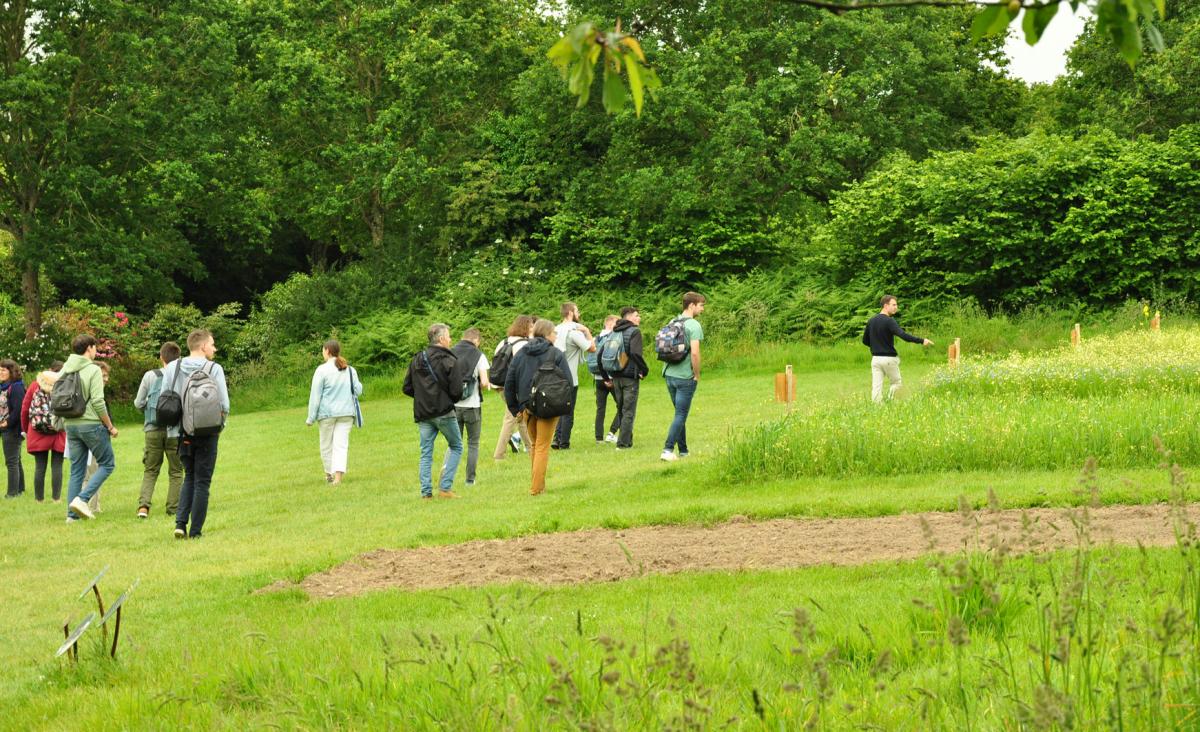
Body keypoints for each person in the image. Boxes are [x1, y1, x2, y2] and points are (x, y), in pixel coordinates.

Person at [161, 329, 230, 539]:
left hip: (183, 432)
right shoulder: (214, 368)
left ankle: (180, 524)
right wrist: (219, 426)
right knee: (203, 482)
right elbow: (224, 404)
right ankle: (196, 532)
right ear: (203, 346)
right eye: (212, 344)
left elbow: (166, 399)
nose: (214, 348)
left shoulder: (173, 367)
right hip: (207, 431)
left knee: (189, 476)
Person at [504, 318, 573, 496]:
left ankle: (538, 485)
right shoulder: (556, 354)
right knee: (542, 446)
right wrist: (566, 404)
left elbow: (509, 381)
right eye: (554, 332)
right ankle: (535, 489)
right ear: (548, 334)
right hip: (549, 405)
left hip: (527, 406)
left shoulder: (521, 352)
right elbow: (568, 382)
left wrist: (515, 408)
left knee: (535, 445)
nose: (556, 335)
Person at [403, 323, 464, 499]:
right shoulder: (449, 360)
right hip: (444, 412)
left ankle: (426, 493)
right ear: (442, 339)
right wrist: (446, 399)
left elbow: (407, 387)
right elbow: (457, 391)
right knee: (456, 446)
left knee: (426, 452)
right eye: (449, 336)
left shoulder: (417, 359)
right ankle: (445, 488)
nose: (451, 339)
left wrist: (423, 397)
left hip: (423, 413)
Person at [60, 335, 118, 521]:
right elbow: (98, 402)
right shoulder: (93, 370)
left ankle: (71, 516)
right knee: (107, 463)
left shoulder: (65, 369)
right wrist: (109, 426)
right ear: (90, 348)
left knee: (77, 469)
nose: (96, 351)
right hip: (91, 424)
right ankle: (82, 499)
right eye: (95, 348)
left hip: (70, 424)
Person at [133, 343, 184, 518]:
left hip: (152, 430)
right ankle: (173, 509)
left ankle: (143, 507)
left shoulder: (150, 376)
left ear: (161, 357)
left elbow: (138, 403)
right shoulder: (182, 376)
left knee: (151, 470)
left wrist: (149, 411)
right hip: (175, 431)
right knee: (176, 471)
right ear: (178, 359)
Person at [306, 339, 363, 486]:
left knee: (326, 446)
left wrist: (311, 417)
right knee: (341, 445)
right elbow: (358, 390)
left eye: (323, 350)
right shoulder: (350, 369)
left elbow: (315, 396)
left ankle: (330, 474)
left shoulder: (321, 370)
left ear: (327, 351)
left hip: (327, 414)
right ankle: (337, 478)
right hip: (347, 413)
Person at [661, 292, 706, 462]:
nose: (702, 309)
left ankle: (684, 451)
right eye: (701, 305)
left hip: (669, 374)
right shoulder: (694, 325)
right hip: (684, 376)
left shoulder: (673, 321)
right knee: (681, 414)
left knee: (679, 414)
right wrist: (696, 374)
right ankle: (667, 449)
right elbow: (694, 353)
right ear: (692, 305)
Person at [862, 294, 933, 402]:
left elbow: (865, 341)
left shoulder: (871, 320)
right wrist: (922, 341)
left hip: (875, 359)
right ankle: (890, 403)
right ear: (886, 306)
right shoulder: (889, 321)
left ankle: (876, 408)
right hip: (889, 359)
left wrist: (876, 346)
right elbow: (903, 335)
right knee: (896, 383)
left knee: (876, 386)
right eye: (894, 305)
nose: (896, 307)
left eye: (896, 305)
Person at [601, 307, 649, 450]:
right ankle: (622, 444)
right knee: (628, 410)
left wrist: (605, 377)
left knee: (622, 409)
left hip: (615, 376)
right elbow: (635, 353)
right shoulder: (635, 332)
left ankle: (627, 441)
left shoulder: (614, 331)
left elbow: (600, 355)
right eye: (636, 315)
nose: (639, 318)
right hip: (629, 377)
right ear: (628, 317)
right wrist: (644, 370)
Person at [447, 328, 489, 486]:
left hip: (454, 405)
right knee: (473, 443)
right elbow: (484, 382)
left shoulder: (451, 352)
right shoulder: (479, 355)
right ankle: (469, 480)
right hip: (472, 405)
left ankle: (446, 476)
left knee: (453, 443)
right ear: (476, 340)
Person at [551, 302, 595, 450]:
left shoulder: (555, 330)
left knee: (558, 410)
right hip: (570, 378)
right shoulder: (574, 331)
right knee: (568, 411)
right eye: (577, 310)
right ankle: (564, 442)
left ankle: (556, 440)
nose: (579, 313)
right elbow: (592, 348)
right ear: (570, 312)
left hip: (555, 377)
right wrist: (587, 331)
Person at [491, 315, 534, 461]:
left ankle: (531, 449)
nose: (533, 329)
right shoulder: (523, 344)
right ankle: (499, 455)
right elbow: (525, 369)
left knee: (520, 416)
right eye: (531, 326)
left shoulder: (503, 342)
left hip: (498, 384)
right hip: (512, 387)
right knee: (511, 417)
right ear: (526, 327)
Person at [21, 361, 65, 502]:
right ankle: (56, 499)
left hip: (38, 430)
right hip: (59, 430)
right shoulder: (64, 384)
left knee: (40, 466)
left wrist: (25, 428)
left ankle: (39, 499)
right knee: (57, 466)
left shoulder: (35, 385)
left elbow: (25, 408)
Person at [86, 361, 112, 513]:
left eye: (107, 375)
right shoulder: (95, 394)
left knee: (87, 473)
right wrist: (110, 427)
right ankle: (93, 507)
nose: (106, 379)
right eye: (103, 375)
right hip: (95, 435)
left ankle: (91, 505)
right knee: (94, 472)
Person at [592, 315, 621, 443]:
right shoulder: (613, 338)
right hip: (611, 377)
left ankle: (599, 438)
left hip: (597, 378)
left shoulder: (596, 338)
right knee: (623, 406)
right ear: (610, 324)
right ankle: (612, 432)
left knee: (600, 409)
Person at [1, 359, 27, 498]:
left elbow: (19, 409)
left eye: (3, 370)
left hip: (13, 429)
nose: (0, 372)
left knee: (11, 461)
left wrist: (7, 423)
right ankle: (20, 489)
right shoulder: (5, 386)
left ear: (11, 372)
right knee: (16, 459)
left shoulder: (16, 387)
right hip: (8, 428)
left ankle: (12, 493)